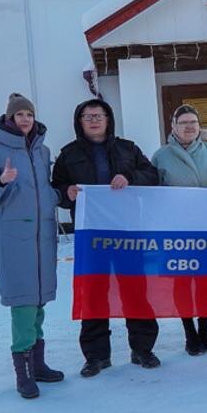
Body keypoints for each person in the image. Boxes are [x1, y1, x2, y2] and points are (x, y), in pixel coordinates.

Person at [52, 98, 161, 377]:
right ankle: (97, 356)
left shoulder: (128, 148)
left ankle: (142, 349)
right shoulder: (68, 154)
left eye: (98, 115)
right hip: (92, 236)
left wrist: (129, 177)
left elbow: (152, 175)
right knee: (94, 292)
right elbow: (57, 188)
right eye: (87, 116)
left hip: (128, 232)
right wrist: (68, 193)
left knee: (134, 289)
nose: (94, 120)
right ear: (79, 122)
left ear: (108, 119)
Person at [0, 93, 64, 399]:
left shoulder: (43, 151)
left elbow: (44, 192)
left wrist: (66, 194)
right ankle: (23, 373)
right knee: (23, 305)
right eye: (19, 115)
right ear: (9, 119)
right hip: (14, 240)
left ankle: (38, 364)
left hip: (42, 238)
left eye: (29, 114)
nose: (25, 119)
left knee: (38, 304)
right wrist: (1, 181)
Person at [151, 104, 207, 355]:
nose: (189, 127)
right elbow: (153, 190)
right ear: (173, 127)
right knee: (182, 282)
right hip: (177, 230)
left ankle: (204, 329)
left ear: (200, 126)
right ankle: (189, 332)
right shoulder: (161, 156)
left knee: (205, 281)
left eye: (193, 122)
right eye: (183, 122)